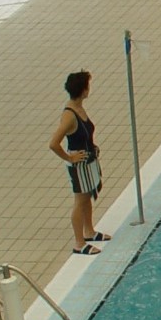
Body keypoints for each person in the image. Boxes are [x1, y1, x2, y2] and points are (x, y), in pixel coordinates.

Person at [48, 71, 110, 255]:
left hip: (88, 161)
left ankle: (89, 231)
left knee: (87, 196)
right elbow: (53, 144)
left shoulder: (78, 108)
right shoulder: (70, 115)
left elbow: (84, 135)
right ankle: (79, 243)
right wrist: (70, 158)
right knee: (80, 200)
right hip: (79, 165)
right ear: (83, 90)